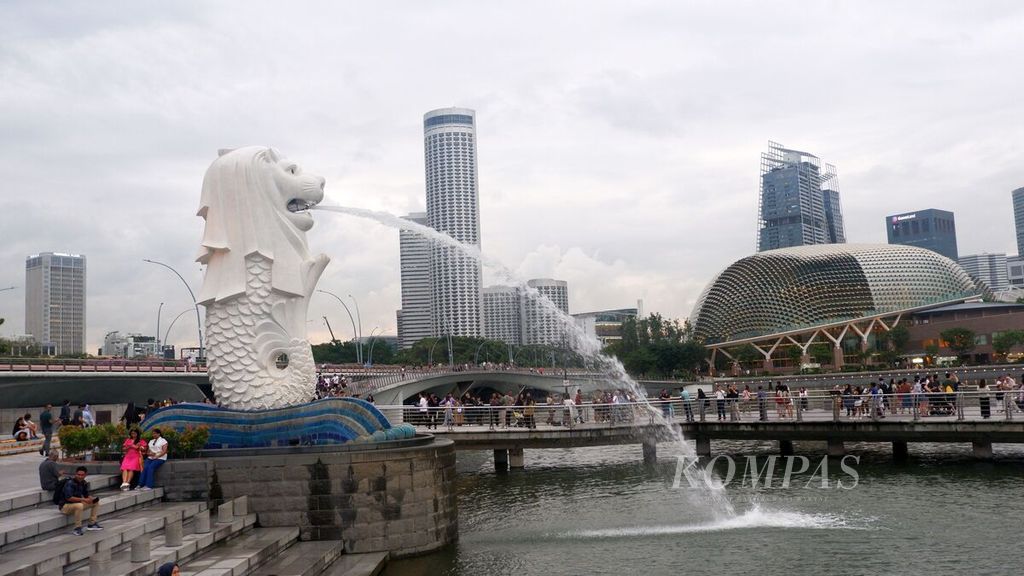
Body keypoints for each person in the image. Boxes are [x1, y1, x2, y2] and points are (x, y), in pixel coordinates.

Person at [61, 466, 102, 535]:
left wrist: (91, 499)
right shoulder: (70, 483)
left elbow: (86, 495)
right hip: (65, 506)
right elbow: (69, 498)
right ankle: (77, 528)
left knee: (95, 502)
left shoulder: (83, 483)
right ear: (75, 474)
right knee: (79, 505)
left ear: (85, 475)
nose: (80, 477)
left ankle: (92, 523)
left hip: (76, 504)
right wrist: (83, 499)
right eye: (78, 475)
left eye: (82, 475)